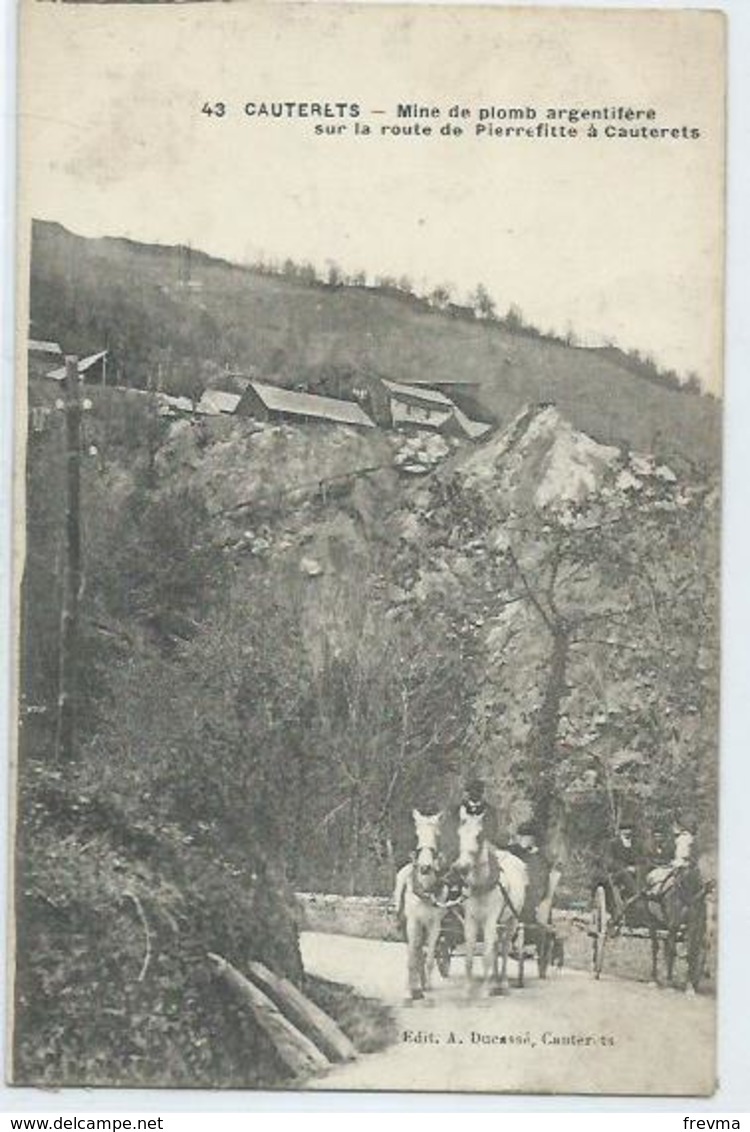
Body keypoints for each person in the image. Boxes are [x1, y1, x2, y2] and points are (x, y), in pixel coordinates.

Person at [508, 820, 561, 926]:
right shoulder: (513, 851)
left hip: (535, 894)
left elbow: (554, 871)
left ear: (533, 839)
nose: (521, 840)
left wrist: (547, 898)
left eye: (525, 837)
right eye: (521, 836)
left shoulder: (542, 856)